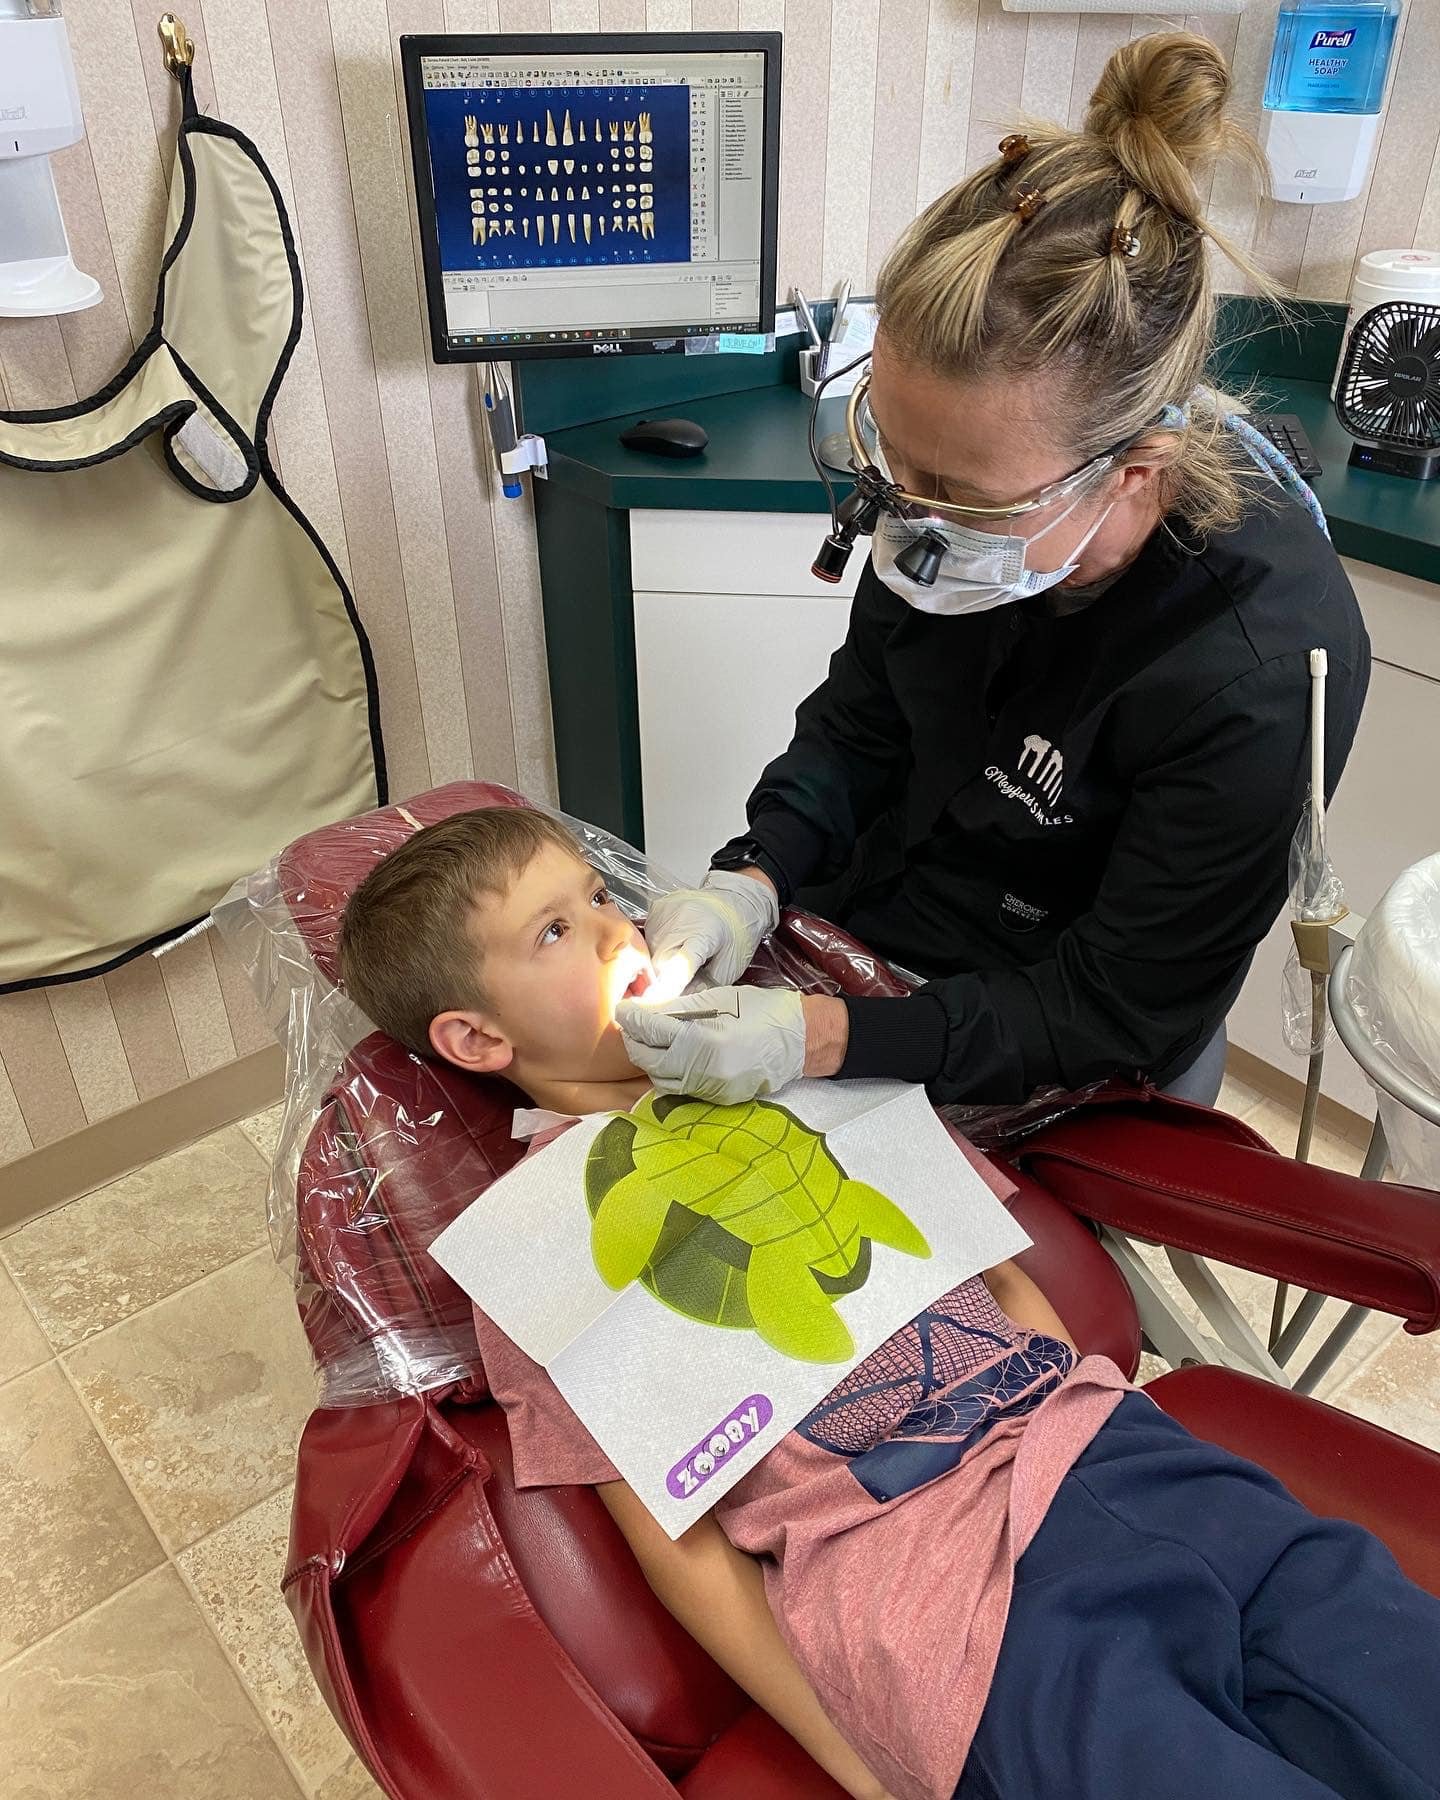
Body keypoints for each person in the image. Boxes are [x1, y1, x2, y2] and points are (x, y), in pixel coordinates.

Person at [338, 806, 1440, 1800]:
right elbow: (679, 1545)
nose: (618, 931)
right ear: (479, 1041)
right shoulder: (542, 1250)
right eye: (554, 932)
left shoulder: (800, 1059)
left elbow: (1000, 1274)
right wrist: (852, 1758)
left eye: (597, 896)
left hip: (1135, 1465)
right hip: (957, 1616)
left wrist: (1082, 1416)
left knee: (1392, 1664)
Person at [615, 32, 1370, 1115]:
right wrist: (754, 875)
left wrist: (826, 1037)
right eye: (896, 454)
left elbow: (1116, 1006)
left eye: (959, 489)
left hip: (1052, 1023)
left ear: (1134, 472)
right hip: (890, 911)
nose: (912, 515)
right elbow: (862, 724)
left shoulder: (1255, 672)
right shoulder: (950, 501)